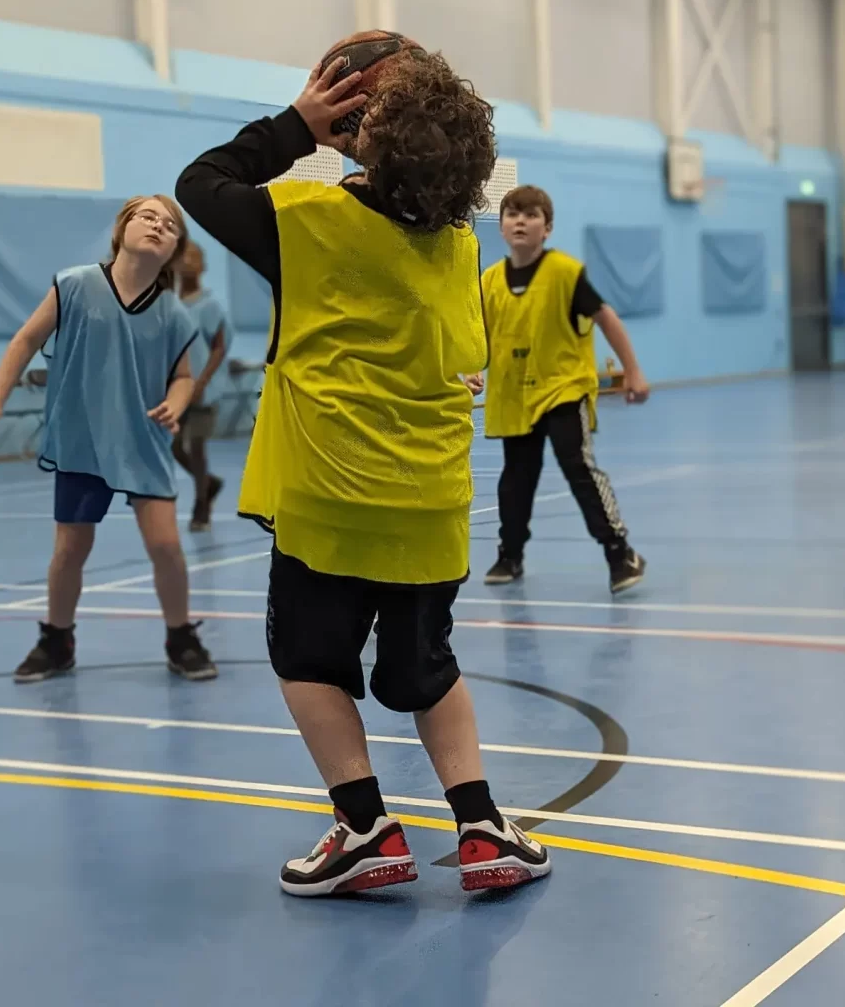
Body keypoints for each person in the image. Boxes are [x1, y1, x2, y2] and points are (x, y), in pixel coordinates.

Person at [176, 50, 551, 896]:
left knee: (308, 662)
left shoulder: (303, 219)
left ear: (359, 138)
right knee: (430, 668)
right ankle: (483, 826)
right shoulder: (460, 247)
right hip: (429, 503)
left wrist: (297, 126)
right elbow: (468, 358)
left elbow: (201, 182)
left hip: (328, 494)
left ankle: (363, 827)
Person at [0, 195, 218, 683]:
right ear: (121, 228)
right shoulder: (76, 285)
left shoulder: (172, 312)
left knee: (167, 546)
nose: (157, 225)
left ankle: (180, 636)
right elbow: (23, 340)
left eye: (168, 225)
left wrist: (179, 401)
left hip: (142, 440)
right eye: (147, 216)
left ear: (173, 250)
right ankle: (56, 639)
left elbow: (184, 376)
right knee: (70, 549)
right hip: (82, 441)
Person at [470, 185, 650, 594]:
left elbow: (606, 318)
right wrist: (470, 369)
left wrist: (633, 370)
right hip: (515, 395)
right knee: (516, 478)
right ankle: (509, 554)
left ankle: (620, 553)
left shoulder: (565, 273)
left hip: (563, 389)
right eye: (512, 214)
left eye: (531, 215)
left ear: (547, 228)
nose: (520, 220)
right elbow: (478, 334)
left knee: (578, 467)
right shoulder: (490, 281)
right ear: (500, 227)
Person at [173, 240, 229, 531]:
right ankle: (209, 484)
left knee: (196, 447)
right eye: (183, 257)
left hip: (203, 392)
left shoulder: (210, 305)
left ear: (203, 265)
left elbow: (219, 347)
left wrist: (202, 382)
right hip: (175, 390)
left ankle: (201, 507)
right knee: (174, 448)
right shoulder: (171, 305)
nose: (187, 262)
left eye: (194, 257)